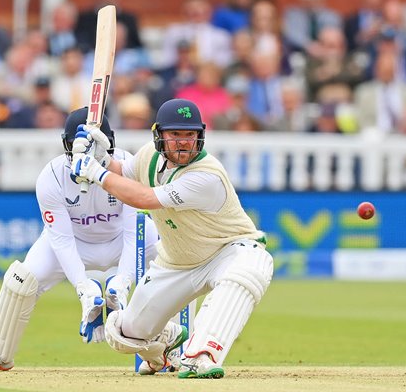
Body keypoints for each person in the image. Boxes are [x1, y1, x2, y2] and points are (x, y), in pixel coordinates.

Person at [70, 98, 274, 378]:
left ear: (200, 136)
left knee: (250, 268)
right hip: (177, 263)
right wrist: (100, 158)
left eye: (190, 135)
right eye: (175, 134)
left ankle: (201, 354)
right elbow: (121, 174)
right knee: (123, 333)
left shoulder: (207, 176)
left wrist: (95, 172)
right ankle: (165, 346)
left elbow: (144, 198)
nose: (183, 142)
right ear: (159, 135)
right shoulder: (147, 157)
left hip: (229, 251)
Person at [0, 107, 160, 371]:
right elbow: (61, 240)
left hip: (122, 239)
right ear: (67, 146)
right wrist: (83, 287)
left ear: (110, 143)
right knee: (22, 280)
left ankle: (164, 354)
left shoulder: (128, 166)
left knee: (172, 263)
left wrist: (124, 281)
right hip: (75, 243)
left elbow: (133, 232)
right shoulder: (52, 177)